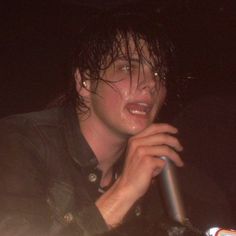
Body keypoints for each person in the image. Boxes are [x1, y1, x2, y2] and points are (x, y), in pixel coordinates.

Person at [0, 6, 232, 236]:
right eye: (128, 67)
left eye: (158, 74)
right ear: (84, 82)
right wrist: (124, 192)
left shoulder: (154, 174)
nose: (150, 83)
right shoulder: (19, 143)